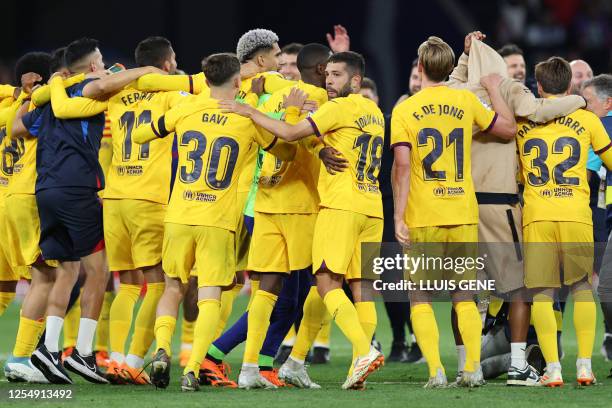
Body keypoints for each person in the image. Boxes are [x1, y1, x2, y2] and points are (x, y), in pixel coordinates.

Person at [222, 51, 386, 390]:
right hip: (372, 207)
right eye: (328, 74)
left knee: (324, 283)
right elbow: (325, 136)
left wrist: (250, 110)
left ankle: (363, 350)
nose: (329, 79)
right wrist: (321, 146)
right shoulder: (374, 111)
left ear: (355, 80)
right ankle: (294, 362)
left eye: (337, 75)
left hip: (337, 206)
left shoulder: (332, 106)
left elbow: (290, 134)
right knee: (357, 288)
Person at [136, 53, 295, 392]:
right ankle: (192, 368)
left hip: (179, 214)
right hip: (218, 221)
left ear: (205, 80)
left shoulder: (187, 108)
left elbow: (141, 136)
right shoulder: (247, 120)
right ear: (238, 81)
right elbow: (287, 153)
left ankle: (162, 349)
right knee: (210, 295)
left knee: (172, 287)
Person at [12, 37, 162, 384]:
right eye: (99, 61)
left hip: (46, 190)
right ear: (92, 67)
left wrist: (38, 94)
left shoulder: (54, 97)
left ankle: (48, 350)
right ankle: (81, 353)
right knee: (99, 270)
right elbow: (108, 83)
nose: (103, 65)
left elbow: (18, 128)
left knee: (67, 270)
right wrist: (147, 69)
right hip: (77, 189)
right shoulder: (91, 91)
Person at [447, 32, 586, 386]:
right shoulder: (507, 89)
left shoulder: (457, 95)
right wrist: (578, 101)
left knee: (465, 291)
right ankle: (518, 365)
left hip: (460, 205)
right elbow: (535, 110)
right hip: (500, 204)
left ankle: (469, 366)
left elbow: (450, 83)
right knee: (520, 289)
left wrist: (465, 57)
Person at [391, 36, 517, 388]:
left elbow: (402, 167)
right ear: (449, 68)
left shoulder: (404, 110)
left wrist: (399, 217)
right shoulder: (464, 100)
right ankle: (472, 368)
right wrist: (494, 90)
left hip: (423, 214)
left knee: (421, 296)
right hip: (462, 211)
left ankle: (435, 371)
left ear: (420, 67)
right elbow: (507, 129)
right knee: (464, 294)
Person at [518, 57, 612, 387]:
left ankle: (554, 369)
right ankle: (585, 366)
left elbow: (516, 173)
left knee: (543, 293)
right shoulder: (587, 120)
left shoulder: (523, 121)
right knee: (583, 287)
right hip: (576, 214)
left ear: (539, 86)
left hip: (538, 215)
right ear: (571, 86)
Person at [583, 75, 612, 367]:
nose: (585, 108)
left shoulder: (599, 127)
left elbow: (585, 173)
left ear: (608, 103)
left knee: (603, 286)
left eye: (588, 102)